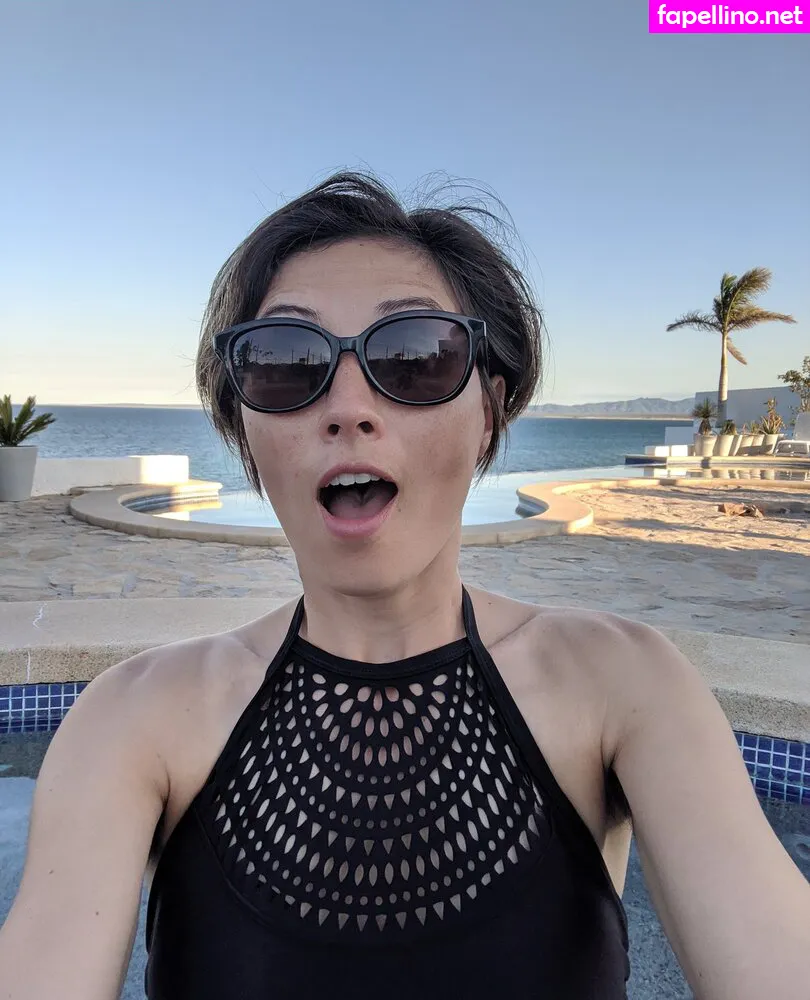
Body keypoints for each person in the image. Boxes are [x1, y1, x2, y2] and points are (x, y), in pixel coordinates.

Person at [1, 172, 808, 1000]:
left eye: (415, 357)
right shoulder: (133, 721)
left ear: (490, 411)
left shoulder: (624, 685)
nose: (348, 407)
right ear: (242, 422)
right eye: (284, 362)